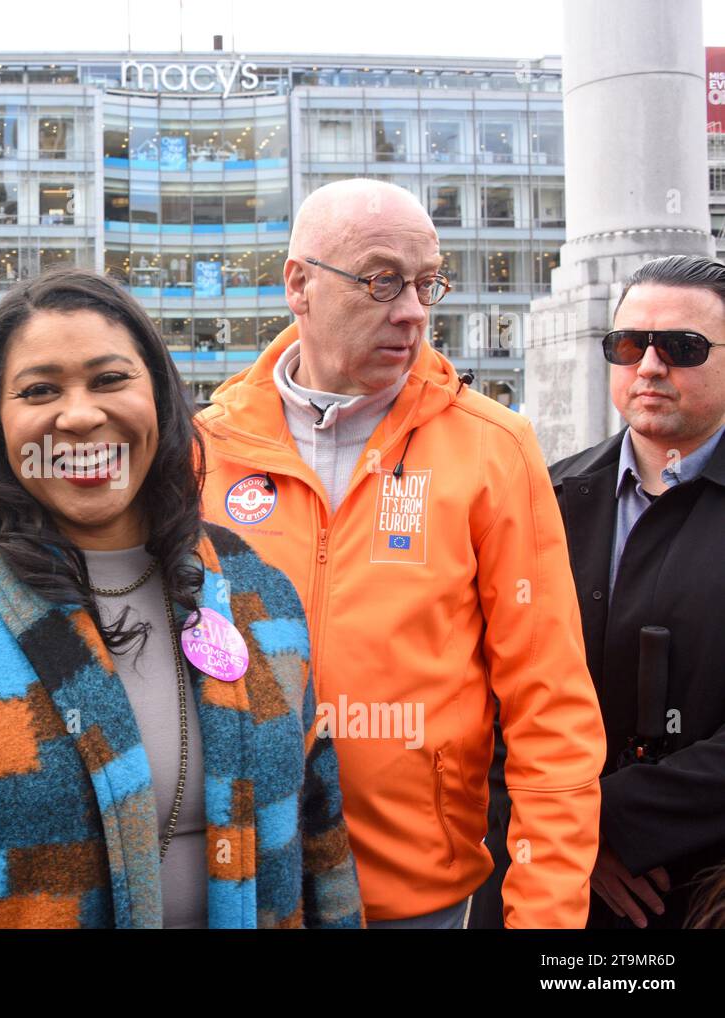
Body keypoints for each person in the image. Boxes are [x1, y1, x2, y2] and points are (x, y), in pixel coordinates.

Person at [0, 268, 363, 928]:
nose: (79, 414)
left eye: (109, 379)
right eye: (40, 390)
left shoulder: (258, 593)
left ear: (160, 397)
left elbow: (322, 848)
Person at [196, 178, 606, 929]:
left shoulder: (493, 447)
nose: (413, 310)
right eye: (383, 279)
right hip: (240, 887)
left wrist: (546, 922)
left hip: (416, 897)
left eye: (427, 283)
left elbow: (550, 705)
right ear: (300, 285)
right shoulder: (205, 449)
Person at [538, 255, 724, 929]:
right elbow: (487, 690)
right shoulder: (544, 497)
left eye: (682, 347)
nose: (649, 366)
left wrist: (608, 820)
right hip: (553, 882)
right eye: (628, 344)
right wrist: (573, 834)